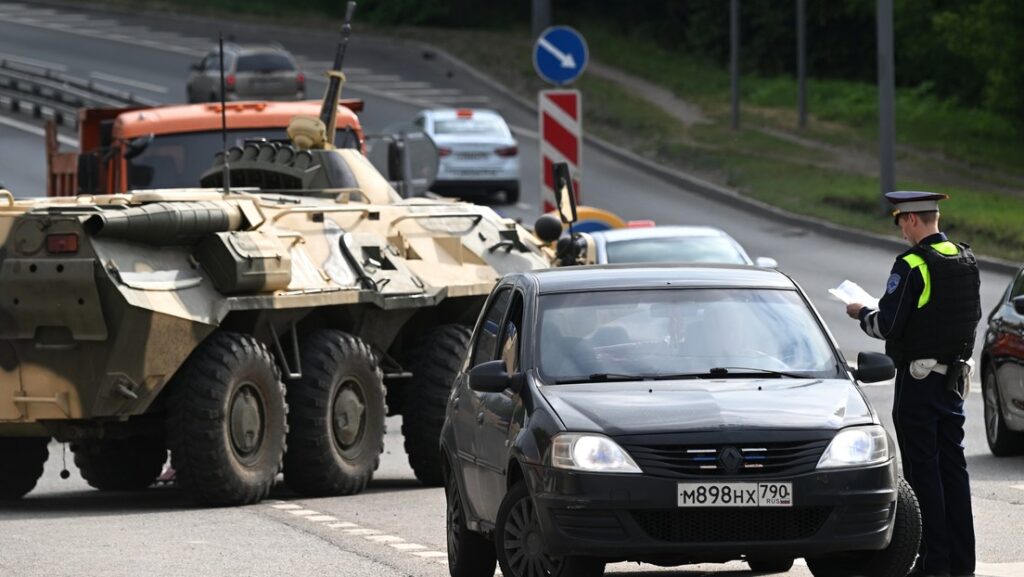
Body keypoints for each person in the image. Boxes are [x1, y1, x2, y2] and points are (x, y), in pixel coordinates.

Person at [845, 191, 980, 577]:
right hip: (952, 383)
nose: (901, 230)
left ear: (912, 220)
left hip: (918, 385)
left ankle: (933, 563)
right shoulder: (965, 258)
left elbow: (887, 325)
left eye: (900, 221)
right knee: (954, 472)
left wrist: (860, 312)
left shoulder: (912, 265)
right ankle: (960, 563)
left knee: (923, 474)